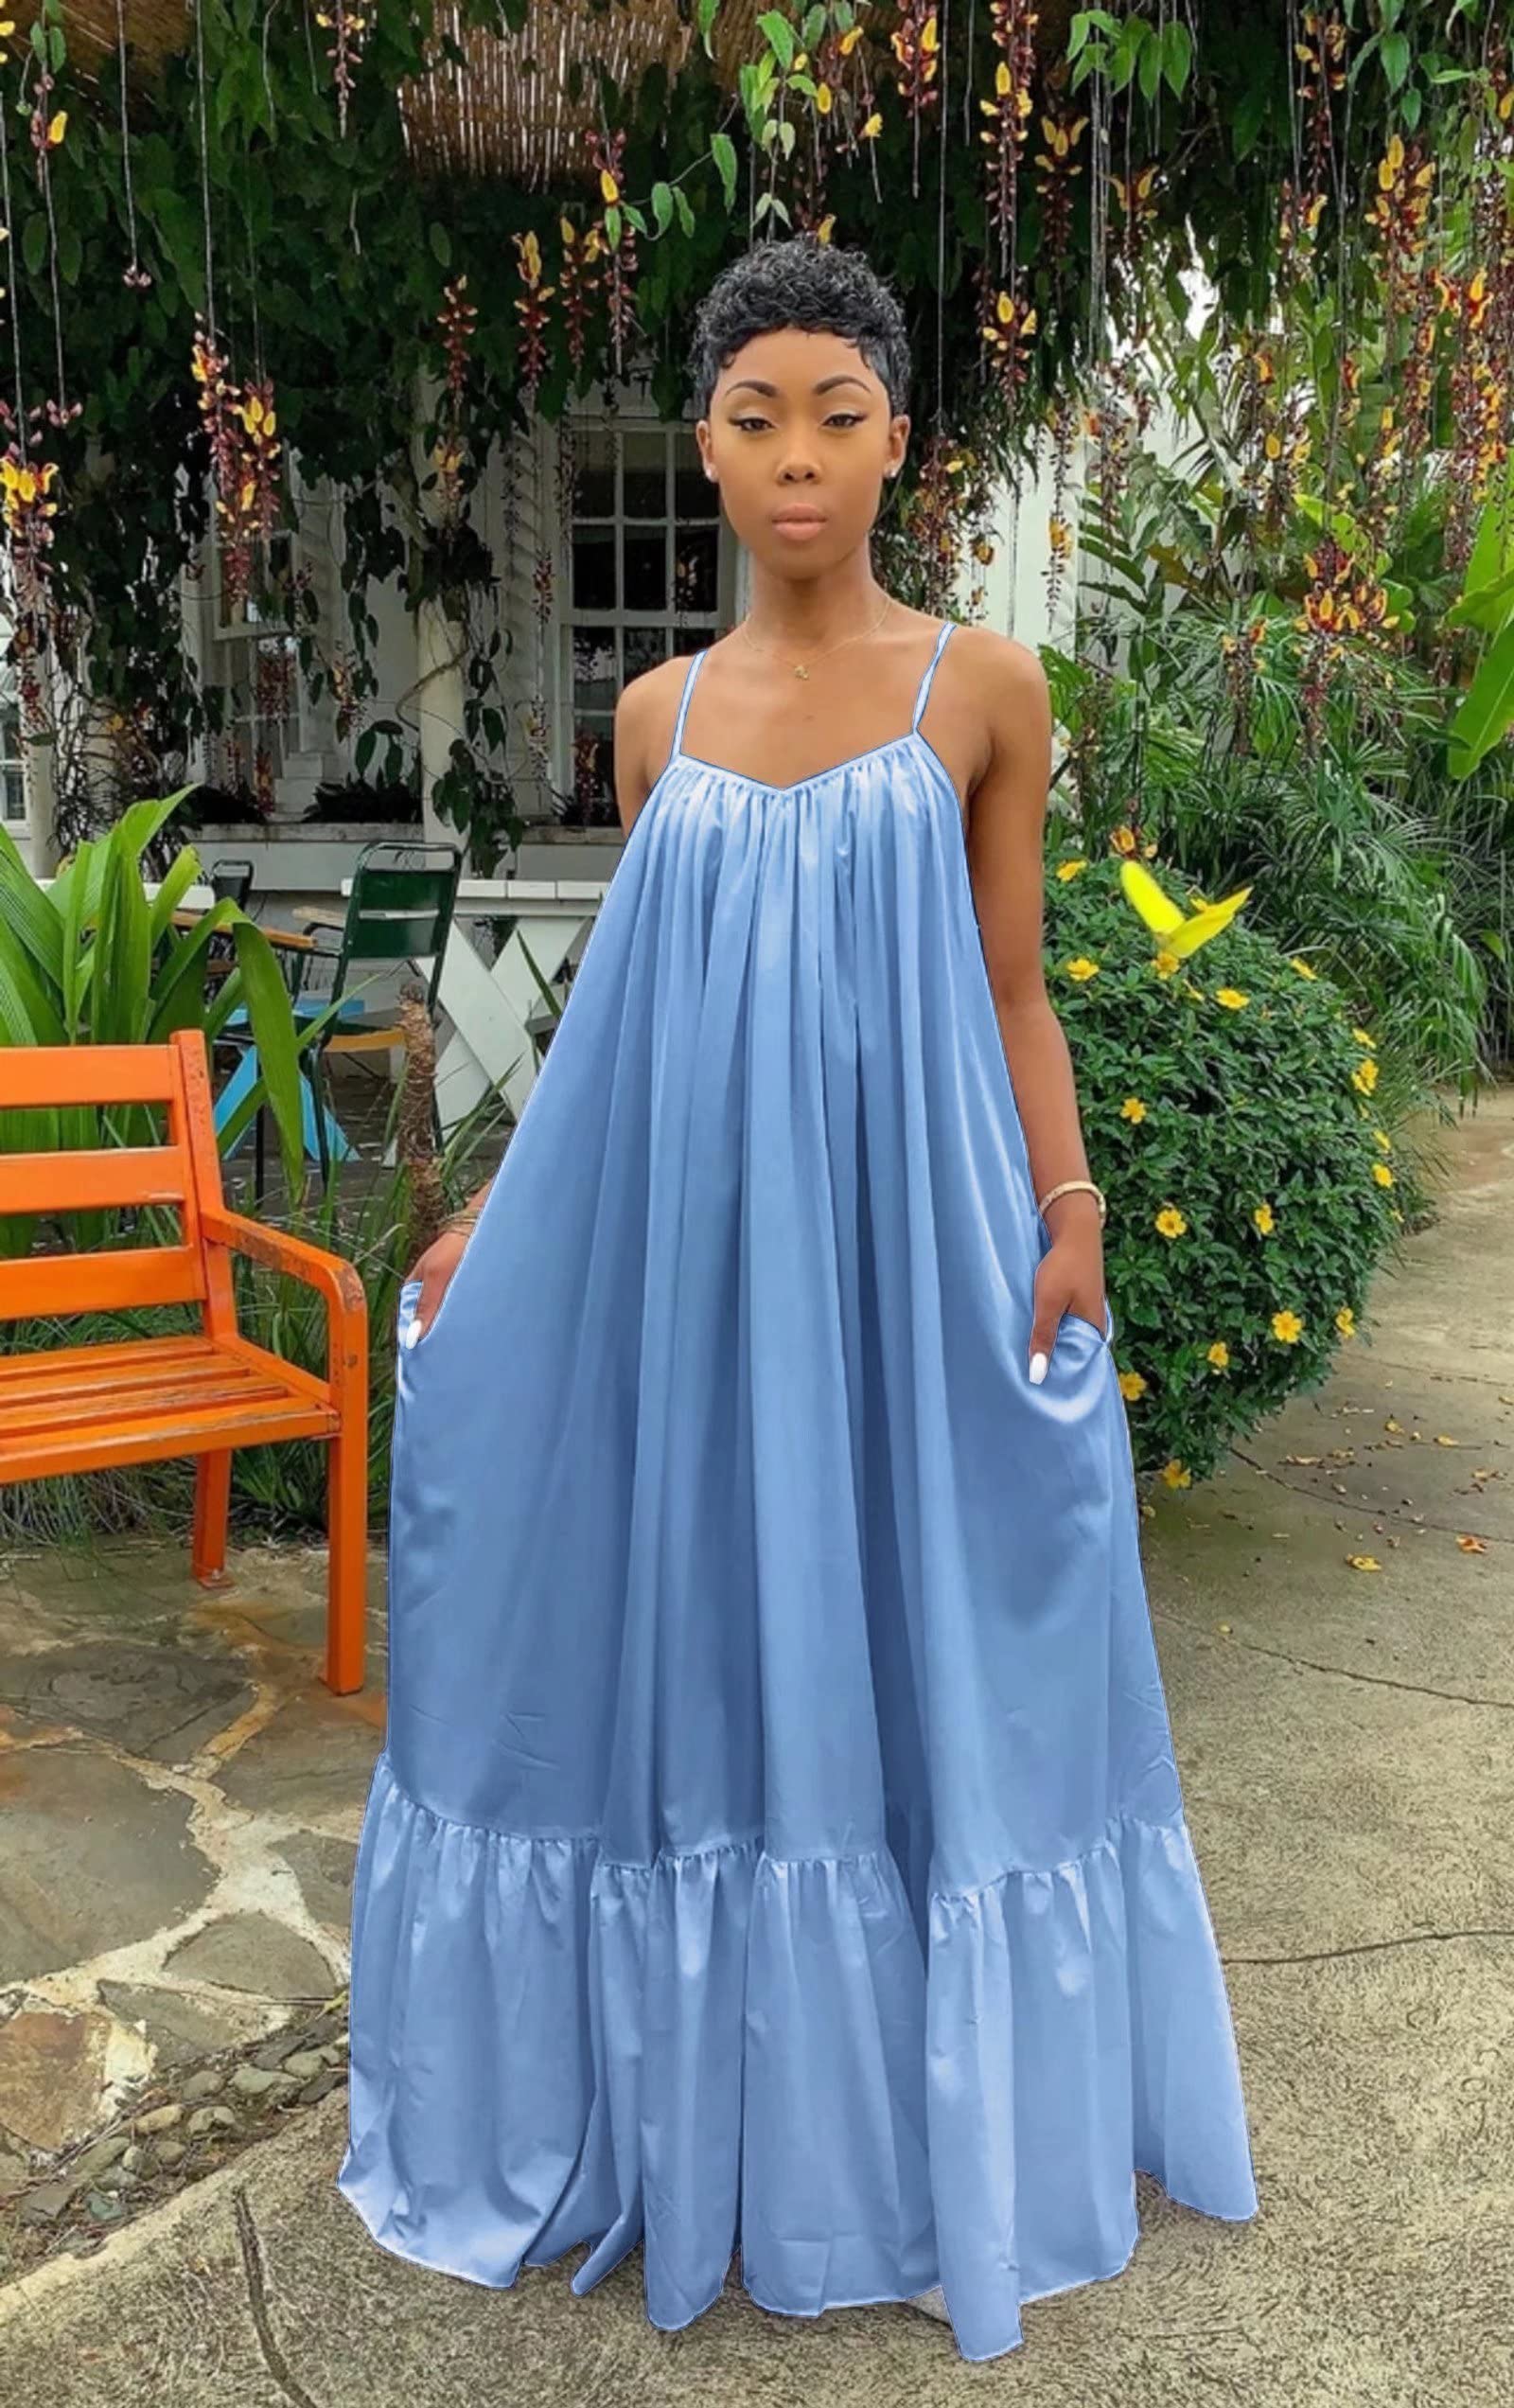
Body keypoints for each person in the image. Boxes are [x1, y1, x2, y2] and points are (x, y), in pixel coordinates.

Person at [337, 234, 1259, 2364]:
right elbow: (628, 1015)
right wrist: (501, 1212)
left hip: (910, 1250)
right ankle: (709, 2111)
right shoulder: (654, 720)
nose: (797, 458)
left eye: (837, 416)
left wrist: (1070, 1205)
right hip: (700, 1260)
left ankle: (915, 2133)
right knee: (711, 1635)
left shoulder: (983, 690)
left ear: (896, 441)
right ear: (708, 449)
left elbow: (1014, 988)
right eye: (755, 419)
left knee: (927, 1630)